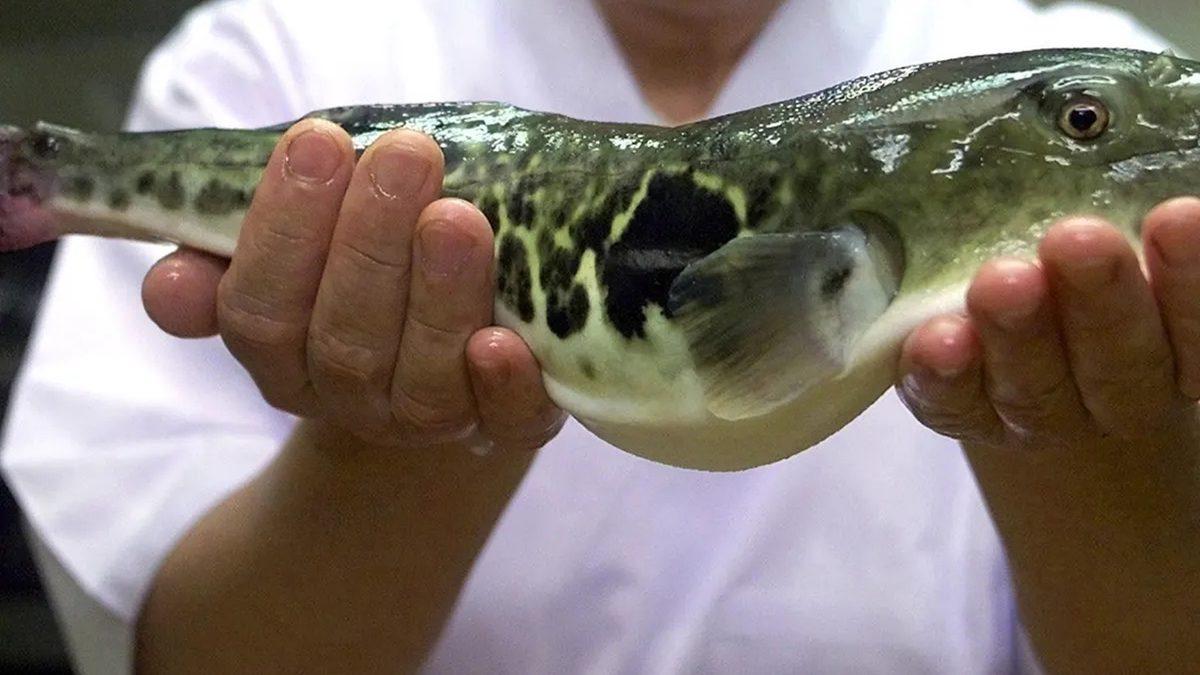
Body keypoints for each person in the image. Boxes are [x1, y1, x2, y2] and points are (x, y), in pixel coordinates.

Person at [3, 0, 1198, 672]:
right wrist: (399, 423)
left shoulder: (1079, 41)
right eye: (1089, 124)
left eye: (1084, 121)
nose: (1111, 131)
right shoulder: (276, 45)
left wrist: (1100, 433)